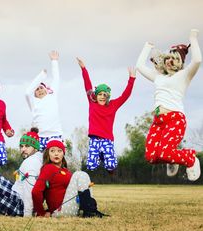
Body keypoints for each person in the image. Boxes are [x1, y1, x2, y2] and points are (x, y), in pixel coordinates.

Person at [136, 29, 202, 181]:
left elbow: (197, 61)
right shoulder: (159, 77)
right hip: (158, 121)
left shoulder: (184, 76)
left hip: (175, 119)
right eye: (168, 58)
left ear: (180, 63)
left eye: (175, 59)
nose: (170, 61)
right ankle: (172, 159)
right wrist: (147, 47)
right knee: (151, 156)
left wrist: (193, 38)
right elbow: (139, 66)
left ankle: (191, 158)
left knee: (164, 153)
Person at [77, 58, 136, 173]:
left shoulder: (113, 105)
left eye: (105, 95)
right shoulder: (92, 102)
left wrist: (132, 79)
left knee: (111, 166)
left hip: (107, 140)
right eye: (100, 94)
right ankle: (100, 156)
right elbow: (87, 85)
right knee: (91, 166)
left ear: (108, 96)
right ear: (96, 95)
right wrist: (83, 68)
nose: (102, 97)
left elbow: (125, 95)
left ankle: (105, 158)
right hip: (94, 139)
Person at [32, 139, 104, 218]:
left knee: (84, 177)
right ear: (47, 154)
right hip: (60, 210)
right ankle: (89, 210)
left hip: (72, 207)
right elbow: (36, 192)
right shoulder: (48, 168)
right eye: (52, 151)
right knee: (79, 174)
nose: (56, 154)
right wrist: (41, 212)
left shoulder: (65, 170)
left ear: (63, 153)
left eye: (59, 151)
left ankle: (90, 208)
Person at [25, 50, 63, 151]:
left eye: (41, 88)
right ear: (34, 94)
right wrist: (41, 76)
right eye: (37, 89)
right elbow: (27, 92)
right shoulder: (34, 103)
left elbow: (56, 78)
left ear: (46, 89)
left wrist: (54, 61)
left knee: (56, 161)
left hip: (56, 135)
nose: (40, 90)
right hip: (40, 137)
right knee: (41, 162)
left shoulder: (52, 95)